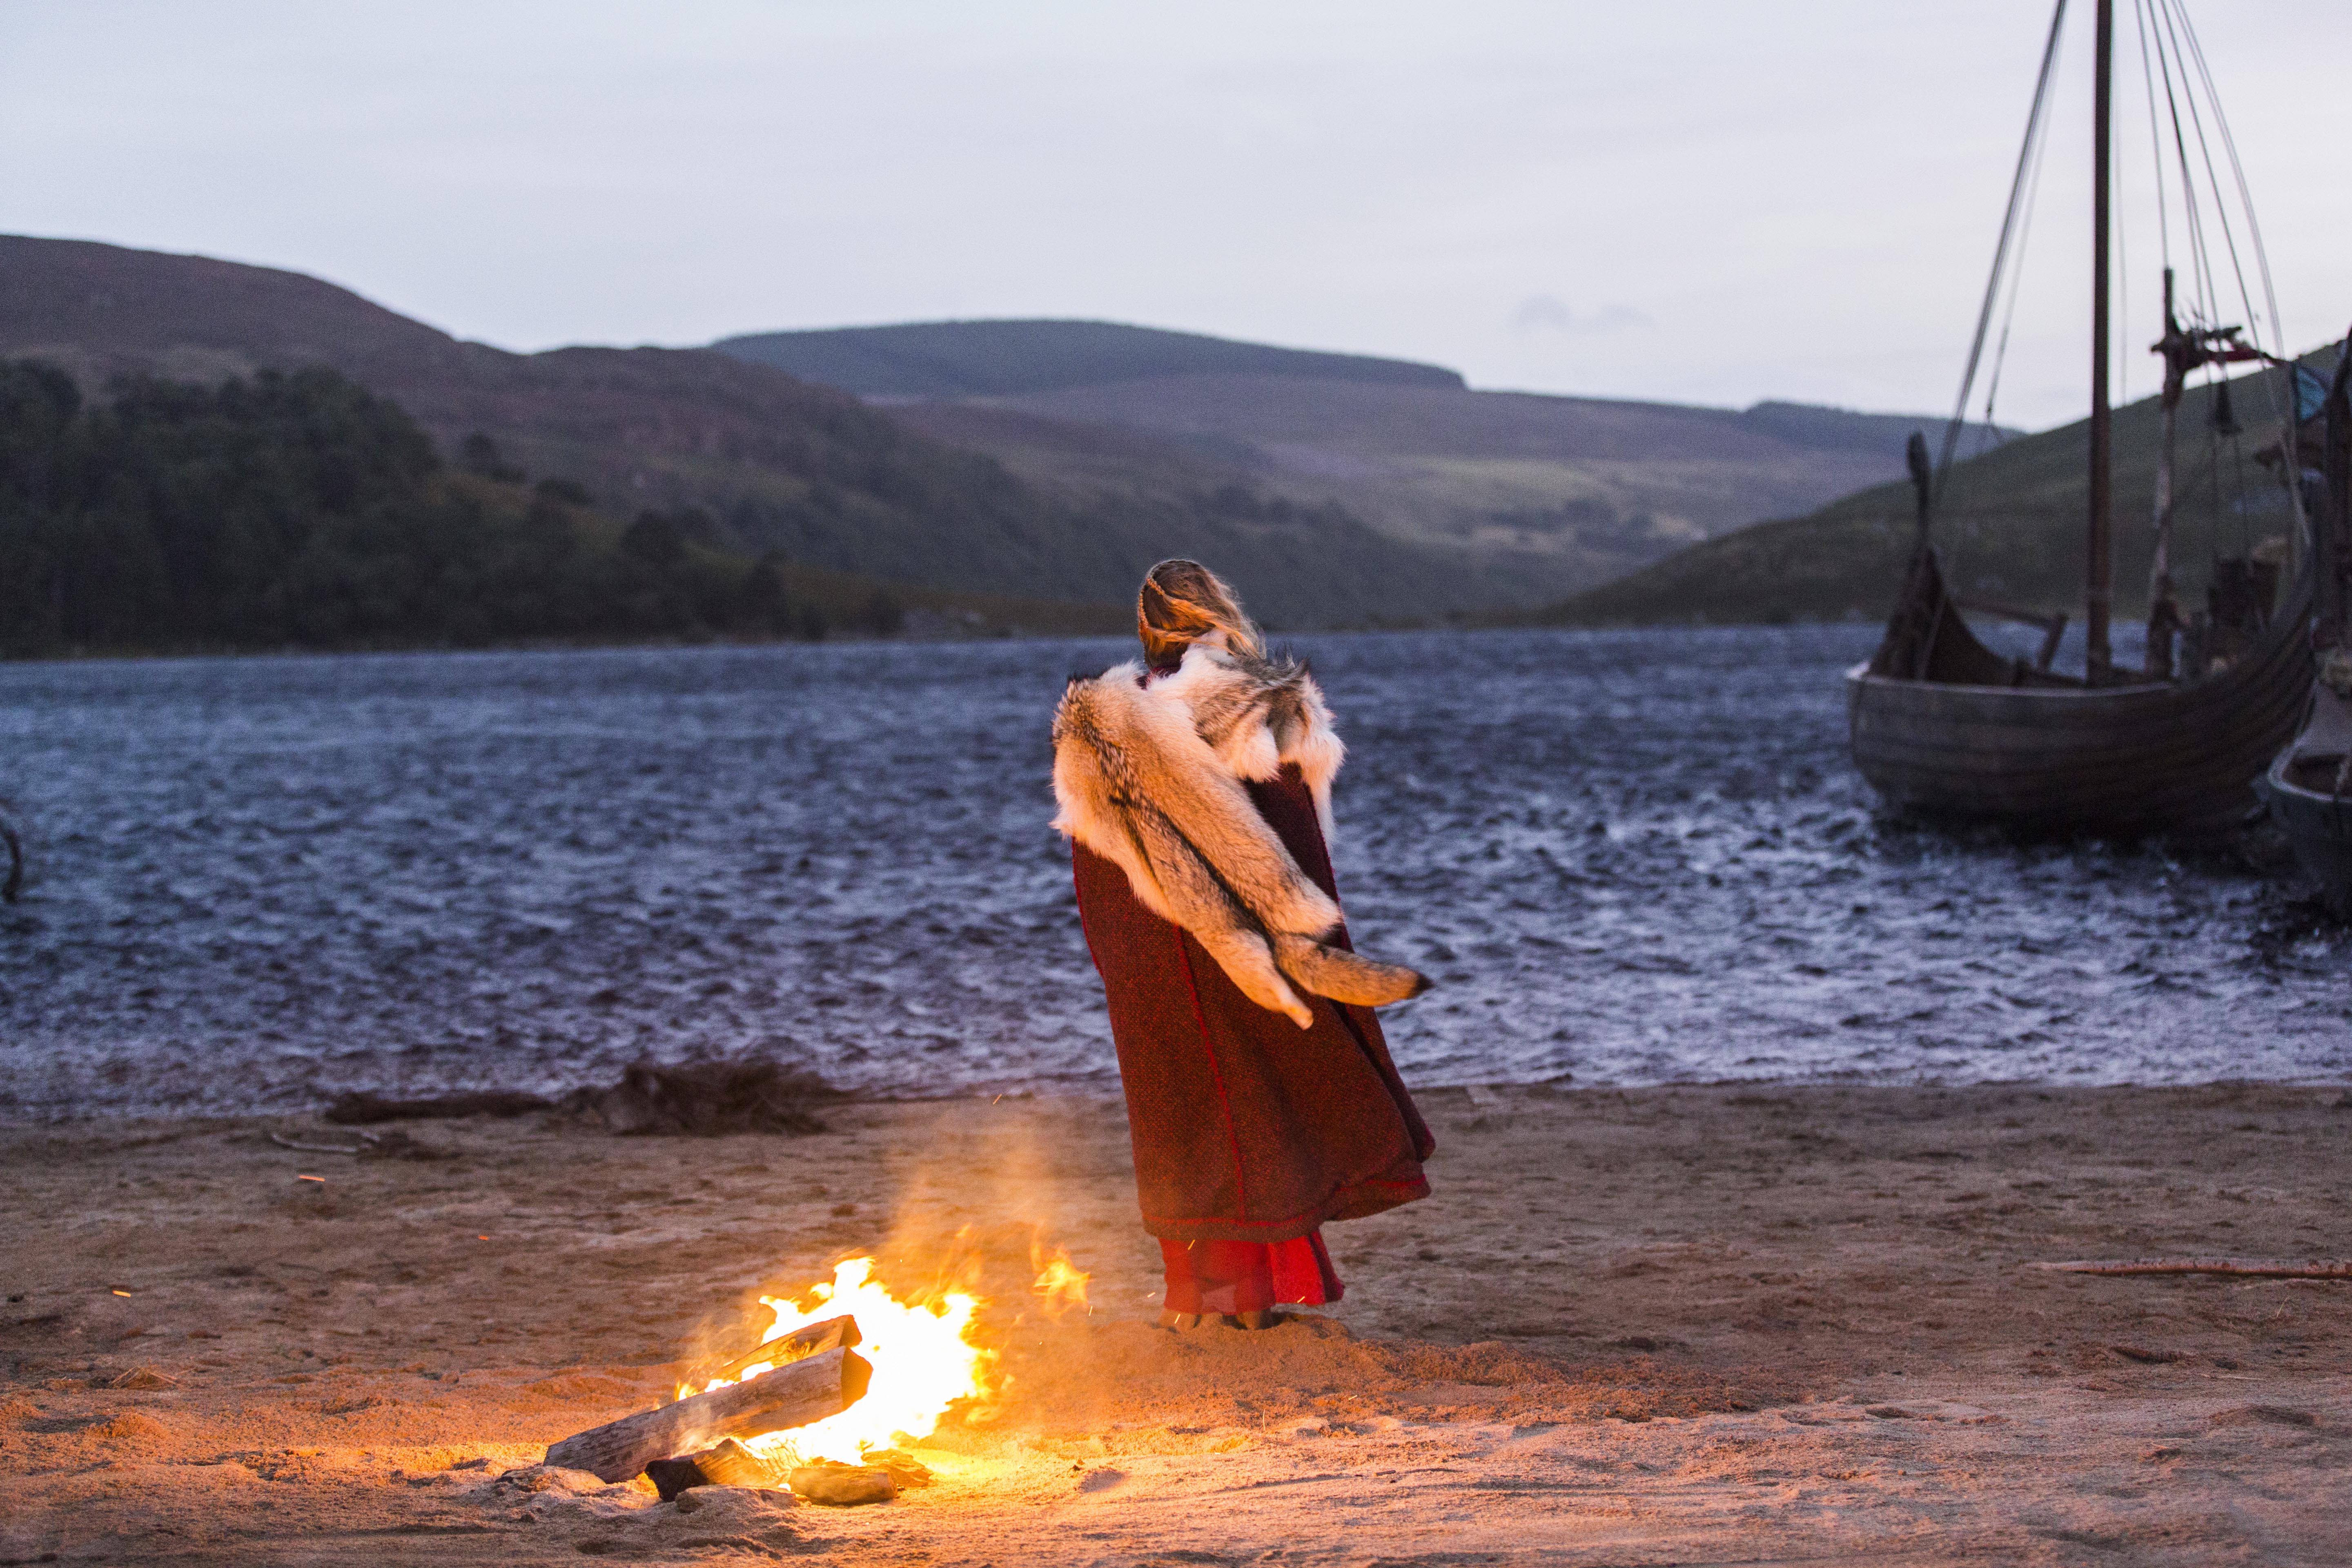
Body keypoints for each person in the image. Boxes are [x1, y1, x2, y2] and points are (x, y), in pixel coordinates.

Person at [1051, 559, 1434, 1329]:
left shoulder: (1096, 720)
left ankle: (1198, 1302)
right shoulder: (1253, 698)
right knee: (1259, 1106)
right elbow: (1290, 844)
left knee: (1184, 1112)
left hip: (1149, 947)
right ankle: (1244, 1307)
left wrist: (1121, 965)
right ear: (1220, 612)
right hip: (1234, 938)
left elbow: (1094, 865)